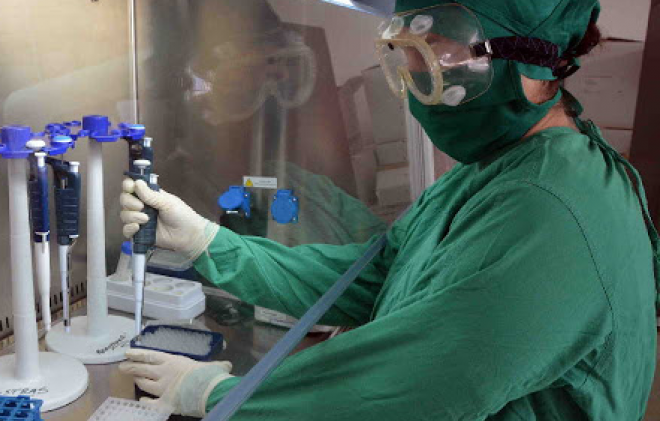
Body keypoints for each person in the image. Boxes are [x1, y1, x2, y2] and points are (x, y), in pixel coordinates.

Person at [118, 0, 659, 419]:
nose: (416, 79)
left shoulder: (551, 211)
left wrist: (219, 395)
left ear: (530, 64)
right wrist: (211, 243)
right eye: (407, 52)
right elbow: (378, 275)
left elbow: (412, 386)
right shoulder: (499, 167)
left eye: (437, 53)